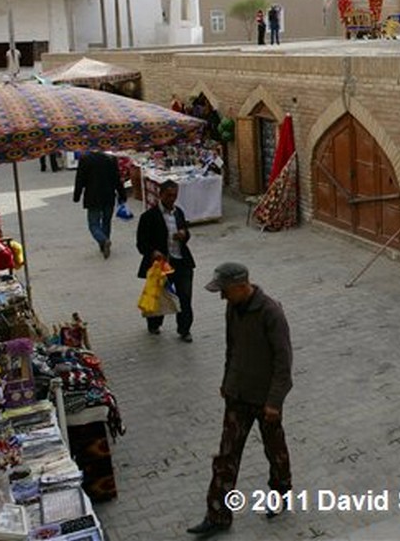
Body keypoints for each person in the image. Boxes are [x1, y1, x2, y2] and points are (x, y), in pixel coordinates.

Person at [187, 263, 293, 538]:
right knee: (225, 456)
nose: (222, 297)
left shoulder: (271, 312)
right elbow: (231, 348)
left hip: (265, 399)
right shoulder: (233, 308)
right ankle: (217, 515)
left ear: (241, 286)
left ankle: (281, 494)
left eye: (224, 291)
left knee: (275, 450)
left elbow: (284, 362)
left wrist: (275, 402)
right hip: (238, 395)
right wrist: (227, 381)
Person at [136, 181, 196, 339]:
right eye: (168, 195)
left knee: (185, 297)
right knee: (158, 297)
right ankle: (154, 324)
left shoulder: (179, 213)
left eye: (174, 196)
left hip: (181, 261)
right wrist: (153, 252)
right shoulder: (149, 217)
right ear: (160, 194)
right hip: (160, 264)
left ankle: (184, 330)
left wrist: (184, 235)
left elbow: (186, 231)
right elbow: (141, 243)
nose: (172, 199)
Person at [73, 151, 126, 258]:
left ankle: (103, 240)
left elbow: (80, 179)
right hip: (108, 195)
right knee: (106, 221)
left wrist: (76, 196)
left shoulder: (85, 159)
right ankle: (104, 244)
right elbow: (117, 179)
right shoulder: (111, 159)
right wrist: (122, 194)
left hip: (93, 197)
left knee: (93, 224)